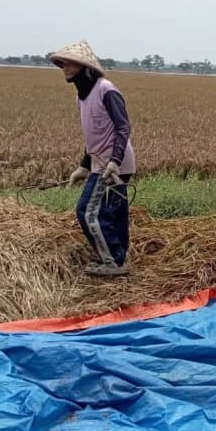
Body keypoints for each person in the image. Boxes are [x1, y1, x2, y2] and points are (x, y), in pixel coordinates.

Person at [49, 40, 136, 277]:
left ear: (85, 68)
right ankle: (119, 255)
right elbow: (94, 137)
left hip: (114, 165)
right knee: (113, 212)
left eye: (71, 65)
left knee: (88, 211)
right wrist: (83, 166)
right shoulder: (82, 98)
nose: (65, 69)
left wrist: (114, 161)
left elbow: (122, 127)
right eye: (63, 65)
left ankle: (112, 262)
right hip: (100, 162)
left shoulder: (106, 90)